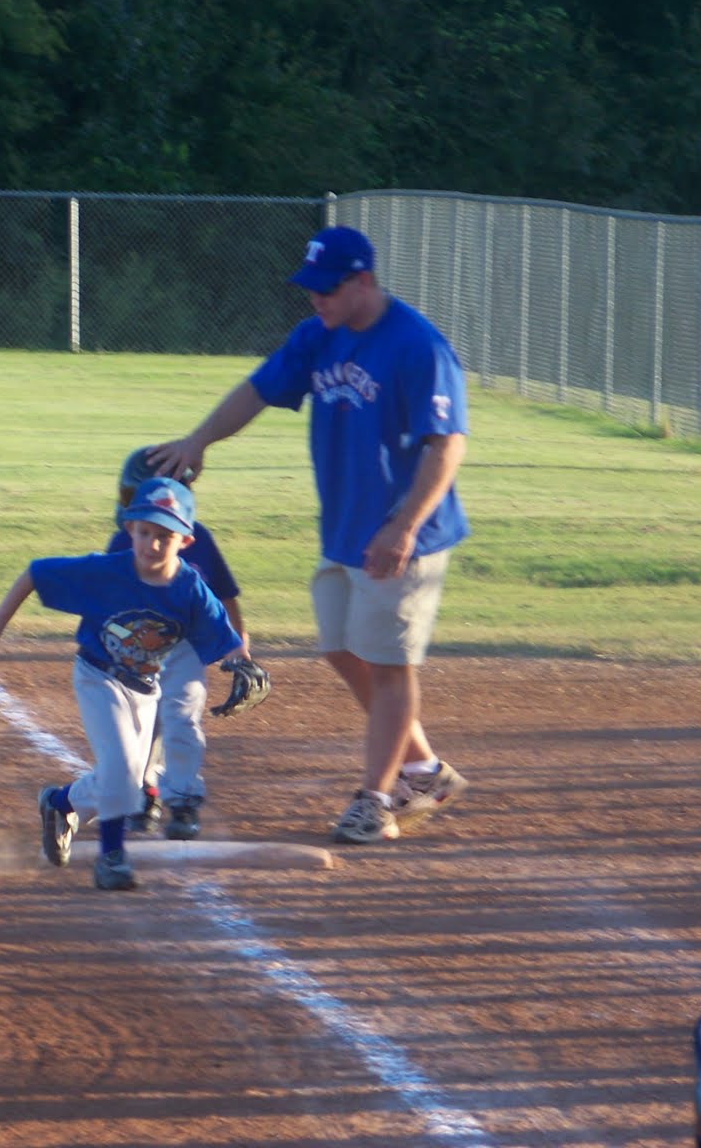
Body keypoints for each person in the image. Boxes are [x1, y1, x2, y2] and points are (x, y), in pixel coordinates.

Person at [149, 225, 469, 844]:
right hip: (346, 532)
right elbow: (258, 391)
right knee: (342, 649)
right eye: (311, 288)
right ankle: (424, 769)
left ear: (364, 281)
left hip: (407, 535)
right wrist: (198, 440)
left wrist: (404, 526)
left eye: (328, 288)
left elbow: (446, 445)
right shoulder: (317, 337)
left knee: (390, 664)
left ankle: (378, 799)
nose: (316, 299)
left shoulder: (416, 345)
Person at [0, 476, 243, 890]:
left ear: (186, 541)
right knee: (119, 771)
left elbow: (223, 633)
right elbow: (36, 573)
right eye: (144, 531)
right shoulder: (106, 571)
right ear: (130, 529)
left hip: (146, 688)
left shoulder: (190, 588)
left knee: (130, 784)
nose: (152, 544)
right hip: (98, 677)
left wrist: (243, 666)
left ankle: (61, 803)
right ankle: (111, 857)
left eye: (164, 536)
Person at [107, 446, 259, 842]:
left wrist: (239, 650)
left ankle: (184, 799)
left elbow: (223, 594)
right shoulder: (122, 543)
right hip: (135, 650)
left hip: (185, 647)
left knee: (181, 718)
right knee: (139, 726)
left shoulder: (195, 539)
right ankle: (143, 793)